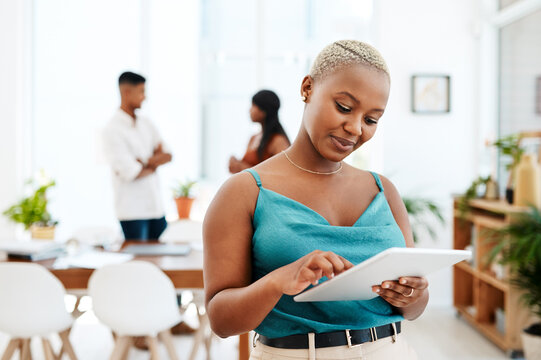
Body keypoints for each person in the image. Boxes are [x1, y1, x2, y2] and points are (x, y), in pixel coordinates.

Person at [203, 40, 428, 359]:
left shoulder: (383, 190)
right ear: (307, 88)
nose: (354, 128)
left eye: (371, 119)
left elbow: (414, 310)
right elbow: (221, 321)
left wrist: (414, 295)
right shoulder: (244, 192)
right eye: (345, 107)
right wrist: (278, 281)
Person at [103, 71, 172, 241]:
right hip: (132, 212)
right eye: (141, 92)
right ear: (127, 92)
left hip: (156, 209)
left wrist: (145, 162)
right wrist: (154, 162)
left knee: (161, 261)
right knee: (138, 264)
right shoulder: (112, 130)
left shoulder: (146, 123)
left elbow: (168, 154)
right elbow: (131, 172)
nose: (145, 97)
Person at [229, 90, 290, 173]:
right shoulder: (253, 138)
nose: (250, 110)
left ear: (264, 110)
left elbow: (283, 173)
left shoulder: (278, 141)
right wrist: (236, 164)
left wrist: (242, 168)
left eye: (253, 105)